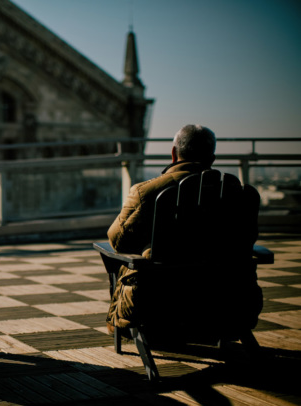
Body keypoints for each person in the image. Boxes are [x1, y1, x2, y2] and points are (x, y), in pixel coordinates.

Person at [105, 124, 262, 333]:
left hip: (159, 304)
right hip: (228, 303)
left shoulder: (145, 192)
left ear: (173, 153)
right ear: (211, 159)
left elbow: (117, 241)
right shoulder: (238, 194)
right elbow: (247, 240)